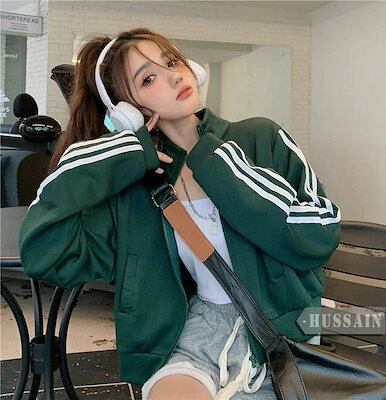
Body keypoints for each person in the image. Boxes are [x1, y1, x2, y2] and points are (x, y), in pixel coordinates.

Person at [19, 27, 341, 400]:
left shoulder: (260, 138)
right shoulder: (138, 188)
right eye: (148, 78)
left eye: (172, 62)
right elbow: (44, 252)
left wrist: (218, 161)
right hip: (198, 331)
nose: (174, 76)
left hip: (283, 330)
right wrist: (118, 156)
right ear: (129, 111)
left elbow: (319, 234)